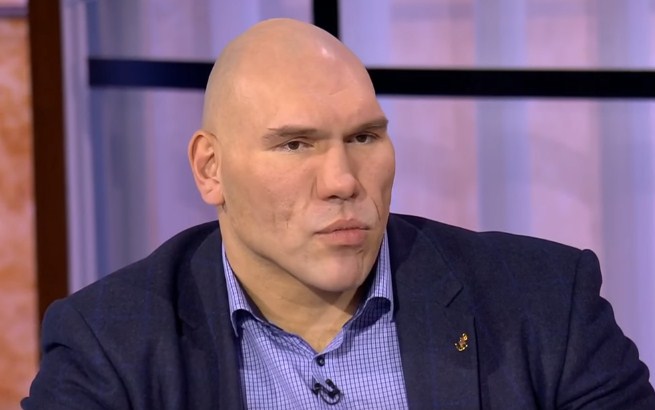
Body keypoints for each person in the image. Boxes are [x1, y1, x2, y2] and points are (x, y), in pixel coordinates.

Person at [23, 18, 655, 410]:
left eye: (364, 137)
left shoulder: (544, 304)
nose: (344, 181)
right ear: (210, 169)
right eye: (295, 144)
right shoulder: (112, 344)